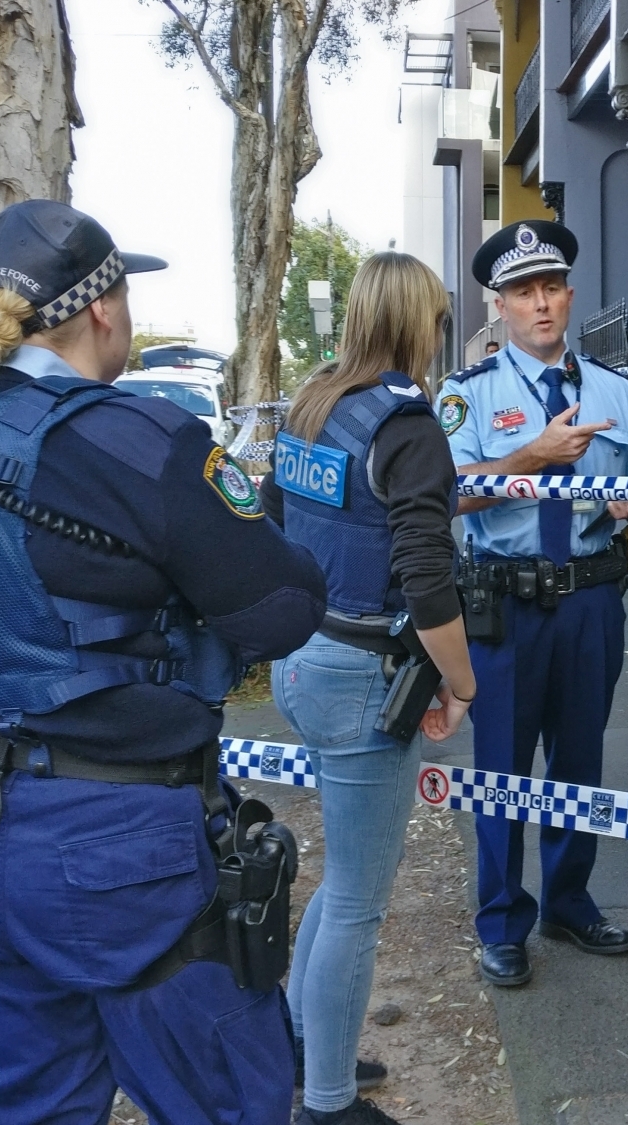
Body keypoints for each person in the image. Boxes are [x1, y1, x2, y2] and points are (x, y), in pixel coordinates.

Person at [0, 200, 328, 1125]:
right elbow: (284, 608)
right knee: (227, 1099)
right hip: (123, 852)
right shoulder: (146, 441)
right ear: (105, 308)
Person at [256, 252, 475, 1125]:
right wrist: (461, 683)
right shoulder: (406, 423)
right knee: (356, 897)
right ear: (418, 322)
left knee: (337, 881)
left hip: (303, 658)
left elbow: (276, 520)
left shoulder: (314, 403)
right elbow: (426, 577)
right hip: (362, 673)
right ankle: (329, 1104)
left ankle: (307, 1048)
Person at [444, 220, 628, 988]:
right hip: (505, 607)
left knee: (579, 763)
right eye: (521, 292)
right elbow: (446, 495)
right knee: (502, 765)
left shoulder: (614, 390)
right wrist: (528, 458)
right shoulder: (465, 395)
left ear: (568, 295)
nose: (539, 305)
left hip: (589, 601)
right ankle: (501, 920)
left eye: (549, 288)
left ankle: (568, 901)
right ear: (498, 306)